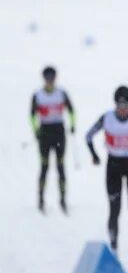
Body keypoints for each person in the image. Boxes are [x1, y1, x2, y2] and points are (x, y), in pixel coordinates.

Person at [86, 86, 128, 258]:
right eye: (119, 105)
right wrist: (95, 156)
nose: (122, 109)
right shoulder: (107, 118)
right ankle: (114, 248)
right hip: (113, 166)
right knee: (114, 209)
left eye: (125, 105)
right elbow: (88, 136)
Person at [31, 66, 75, 213]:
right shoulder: (38, 95)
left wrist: (73, 125)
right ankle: (41, 199)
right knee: (44, 167)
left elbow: (71, 110)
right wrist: (36, 130)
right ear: (44, 79)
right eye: (47, 78)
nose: (50, 81)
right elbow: (32, 115)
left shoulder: (61, 93)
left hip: (59, 132)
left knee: (60, 166)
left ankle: (63, 199)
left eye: (52, 78)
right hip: (45, 132)